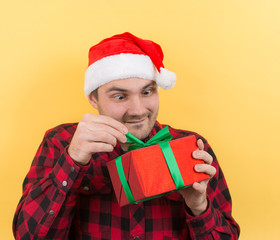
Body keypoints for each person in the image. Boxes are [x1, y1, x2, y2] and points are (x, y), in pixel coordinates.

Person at [13, 32, 240, 239]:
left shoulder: (192, 147)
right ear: (93, 98)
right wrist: (72, 160)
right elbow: (29, 236)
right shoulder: (61, 141)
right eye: (120, 97)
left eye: (147, 91)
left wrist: (199, 206)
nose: (138, 110)